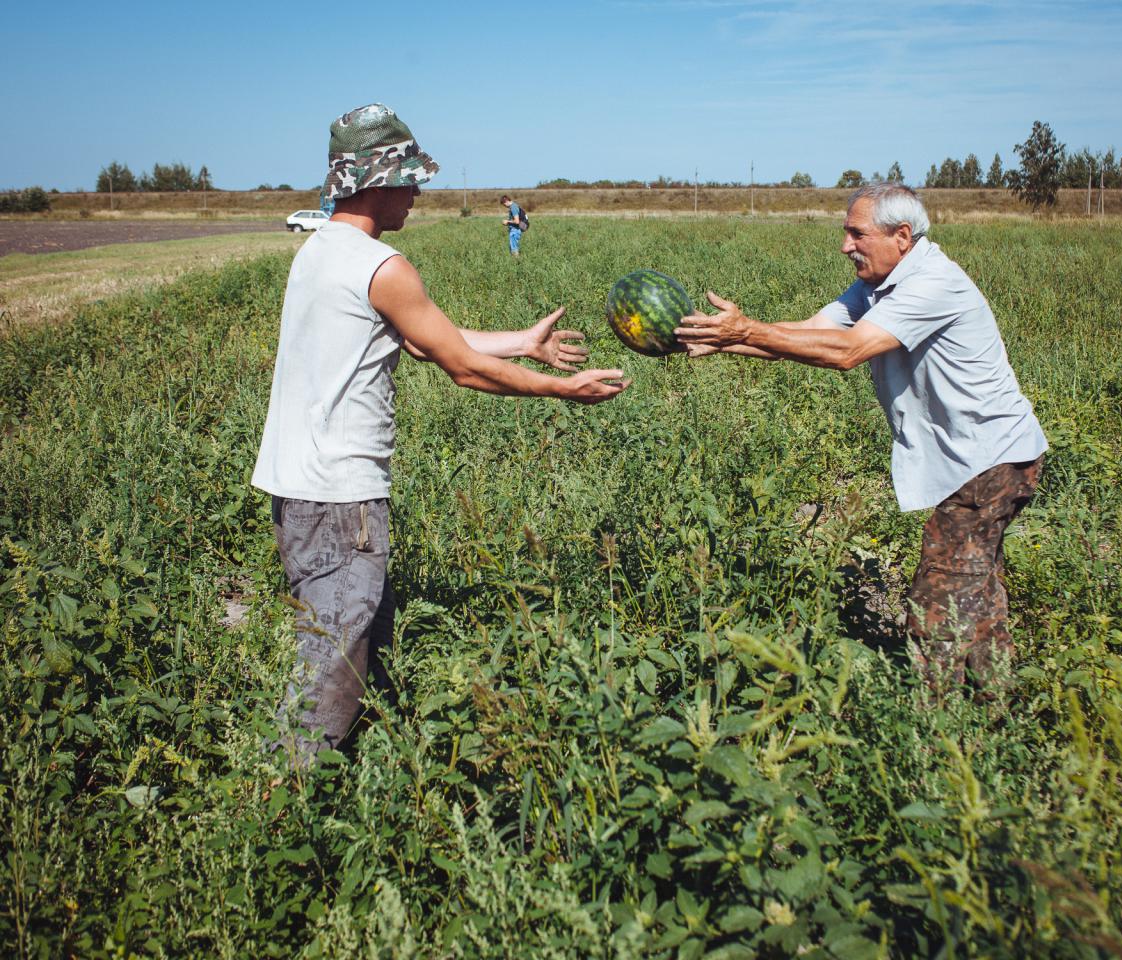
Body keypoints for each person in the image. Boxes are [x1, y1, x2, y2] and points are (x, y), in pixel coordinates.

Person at [251, 104, 629, 766]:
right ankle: (276, 811)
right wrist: (562, 391)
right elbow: (459, 365)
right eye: (407, 177)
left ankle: (349, 786)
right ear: (375, 181)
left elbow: (431, 342)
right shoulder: (381, 264)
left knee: (356, 650)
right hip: (342, 501)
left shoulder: (319, 251)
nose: (417, 192)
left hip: (299, 493)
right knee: (327, 678)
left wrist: (525, 345)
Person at [676, 182, 1047, 691]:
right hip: (976, 457)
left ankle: (935, 728)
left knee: (937, 599)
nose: (845, 245)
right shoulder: (879, 283)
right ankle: (992, 703)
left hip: (988, 461)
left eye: (856, 233)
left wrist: (745, 331)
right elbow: (810, 333)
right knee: (976, 588)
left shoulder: (932, 282)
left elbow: (848, 351)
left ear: (901, 235)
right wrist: (721, 341)